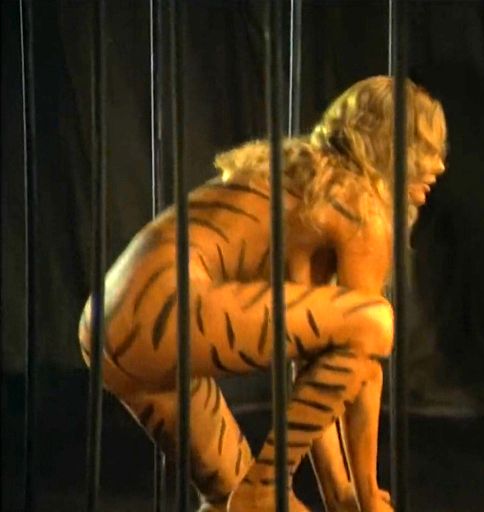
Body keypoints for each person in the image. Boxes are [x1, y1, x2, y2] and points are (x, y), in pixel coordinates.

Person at [78, 75, 447, 512]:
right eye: (426, 149)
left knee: (235, 502)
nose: (439, 166)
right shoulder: (358, 203)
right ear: (389, 146)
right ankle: (266, 483)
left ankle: (263, 487)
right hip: (158, 310)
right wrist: (366, 495)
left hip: (108, 325)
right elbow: (363, 363)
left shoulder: (304, 181)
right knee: (375, 321)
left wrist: (338, 495)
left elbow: (318, 368)